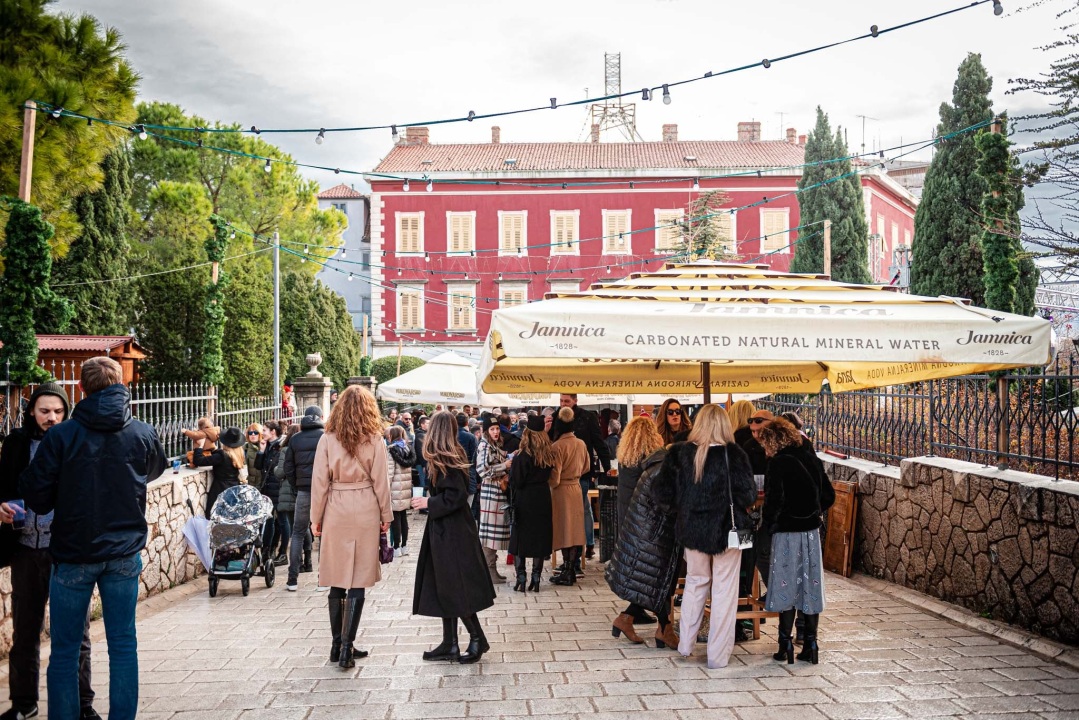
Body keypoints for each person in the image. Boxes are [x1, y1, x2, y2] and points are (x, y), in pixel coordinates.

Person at [20, 357, 166, 720]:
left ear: (81, 389)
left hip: (73, 552)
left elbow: (36, 496)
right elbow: (154, 470)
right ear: (120, 384)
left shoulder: (61, 436)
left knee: (65, 650)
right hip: (123, 552)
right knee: (123, 643)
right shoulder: (142, 432)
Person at [0, 384, 99, 720]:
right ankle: (23, 704)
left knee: (75, 633)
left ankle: (83, 705)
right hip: (25, 550)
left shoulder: (76, 441)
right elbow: (3, 486)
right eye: (44, 411)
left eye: (58, 411)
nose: (52, 417)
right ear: (32, 411)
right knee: (25, 632)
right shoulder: (15, 443)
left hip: (66, 552)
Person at [653, 404, 756, 669]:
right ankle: (717, 656)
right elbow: (748, 496)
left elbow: (661, 493)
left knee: (695, 582)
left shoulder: (680, 453)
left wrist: (684, 508)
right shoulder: (734, 454)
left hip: (692, 530)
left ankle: (685, 645)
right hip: (727, 531)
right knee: (725, 590)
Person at [310, 386, 392, 668]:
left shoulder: (327, 439)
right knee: (358, 579)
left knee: (336, 577)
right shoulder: (375, 439)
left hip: (336, 507)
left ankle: (336, 645)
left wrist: (315, 518)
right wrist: (386, 515)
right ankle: (347, 647)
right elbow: (381, 481)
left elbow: (319, 482)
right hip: (366, 506)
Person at [412, 412, 496, 664]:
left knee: (456, 585)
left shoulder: (447, 457)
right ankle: (450, 643)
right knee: (444, 585)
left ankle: (478, 638)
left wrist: (428, 502)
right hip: (445, 529)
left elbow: (456, 496)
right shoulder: (445, 455)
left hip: (453, 532)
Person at [758, 417, 834, 665]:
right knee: (810, 586)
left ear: (773, 441)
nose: (764, 449)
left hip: (786, 535)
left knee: (786, 586)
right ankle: (811, 644)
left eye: (765, 443)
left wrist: (769, 527)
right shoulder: (811, 458)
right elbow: (829, 496)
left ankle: (785, 644)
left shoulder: (778, 463)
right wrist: (812, 513)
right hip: (810, 534)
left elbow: (773, 503)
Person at [606, 415, 668, 644]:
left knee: (647, 573)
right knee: (654, 572)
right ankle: (653, 625)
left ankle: (639, 620)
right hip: (645, 523)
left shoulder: (626, 458)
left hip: (629, 521)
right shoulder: (648, 461)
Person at [551, 394, 610, 563]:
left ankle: (576, 559)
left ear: (575, 401)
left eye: (567, 401)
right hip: (561, 478)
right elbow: (550, 443)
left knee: (577, 515)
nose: (563, 404)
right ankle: (574, 557)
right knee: (571, 515)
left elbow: (599, 442)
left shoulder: (587, 417)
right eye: (561, 401)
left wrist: (607, 468)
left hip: (580, 476)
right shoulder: (555, 416)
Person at [507, 415, 554, 592]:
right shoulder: (548, 454)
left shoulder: (522, 456)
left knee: (520, 538)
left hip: (524, 499)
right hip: (542, 497)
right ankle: (536, 577)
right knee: (539, 537)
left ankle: (521, 576)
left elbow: (516, 482)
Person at [548, 406, 591, 586]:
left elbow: (555, 477)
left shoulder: (556, 446)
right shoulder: (581, 444)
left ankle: (566, 570)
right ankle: (571, 569)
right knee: (575, 530)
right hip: (576, 488)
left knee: (563, 530)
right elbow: (587, 467)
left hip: (562, 491)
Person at [285, 406, 325, 591]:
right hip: (324, 491)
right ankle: (323, 579)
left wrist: (297, 485)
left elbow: (288, 467)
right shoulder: (327, 436)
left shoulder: (295, 438)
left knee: (298, 533)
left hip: (303, 491)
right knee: (325, 534)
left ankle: (292, 579)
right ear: (321, 417)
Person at [476, 417, 512, 582]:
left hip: (495, 493)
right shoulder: (484, 446)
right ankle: (488, 570)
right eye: (492, 429)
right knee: (490, 534)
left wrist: (507, 458)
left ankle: (491, 569)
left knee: (493, 533)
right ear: (486, 431)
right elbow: (482, 471)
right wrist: (504, 465)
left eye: (497, 428)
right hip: (491, 494)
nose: (496, 432)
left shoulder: (492, 445)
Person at [193, 427, 247, 513]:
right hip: (235, 489)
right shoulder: (239, 454)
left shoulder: (221, 456)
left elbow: (198, 460)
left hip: (221, 489)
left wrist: (200, 446)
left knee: (216, 515)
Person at [274, 423, 305, 567]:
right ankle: (307, 560)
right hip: (303, 489)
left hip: (289, 491)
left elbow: (281, 472)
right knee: (304, 526)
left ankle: (297, 563)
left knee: (295, 528)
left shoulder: (286, 450)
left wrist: (275, 468)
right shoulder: (303, 449)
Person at [255, 420, 284, 561]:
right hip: (266, 488)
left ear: (273, 432)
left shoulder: (281, 446)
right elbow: (258, 466)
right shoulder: (266, 445)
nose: (262, 433)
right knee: (268, 520)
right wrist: (261, 450)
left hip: (278, 488)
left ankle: (276, 549)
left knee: (280, 521)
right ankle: (266, 550)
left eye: (264, 430)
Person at [385, 425, 416, 556]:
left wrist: (385, 488)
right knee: (404, 518)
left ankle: (396, 547)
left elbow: (390, 472)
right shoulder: (408, 449)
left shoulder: (391, 450)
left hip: (395, 489)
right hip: (405, 488)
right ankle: (404, 546)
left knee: (395, 519)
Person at [455, 413, 479, 503]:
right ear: (467, 423)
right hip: (468, 473)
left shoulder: (449, 435)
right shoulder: (471, 437)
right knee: (468, 505)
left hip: (453, 474)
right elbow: (475, 457)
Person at [414, 415, 429, 513]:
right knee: (422, 484)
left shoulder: (424, 434)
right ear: (422, 425)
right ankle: (422, 507)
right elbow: (421, 452)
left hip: (424, 463)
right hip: (421, 464)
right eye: (427, 423)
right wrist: (424, 465)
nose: (429, 425)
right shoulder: (420, 435)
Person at [244, 423, 264, 488]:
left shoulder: (266, 446)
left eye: (256, 432)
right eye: (250, 433)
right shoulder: (245, 448)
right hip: (251, 484)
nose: (253, 434)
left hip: (264, 483)